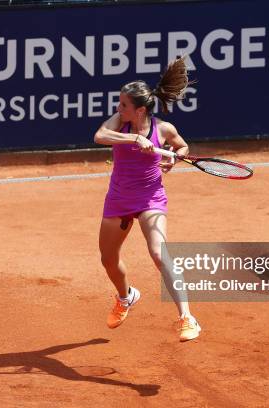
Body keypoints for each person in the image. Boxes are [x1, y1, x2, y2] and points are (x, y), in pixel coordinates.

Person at [93, 56, 201, 342]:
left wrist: (175, 158)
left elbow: (181, 146)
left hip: (150, 196)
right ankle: (126, 296)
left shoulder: (163, 129)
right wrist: (132, 140)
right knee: (108, 258)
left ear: (139, 110)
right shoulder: (119, 123)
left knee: (159, 253)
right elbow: (100, 136)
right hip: (118, 199)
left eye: (124, 105)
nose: (119, 108)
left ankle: (187, 317)